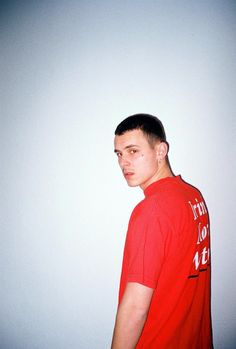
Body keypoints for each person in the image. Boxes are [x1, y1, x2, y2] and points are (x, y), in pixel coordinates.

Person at [111, 114, 213, 349]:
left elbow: (136, 306)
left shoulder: (152, 210)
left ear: (160, 151)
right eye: (119, 153)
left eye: (133, 151)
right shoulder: (193, 197)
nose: (123, 162)